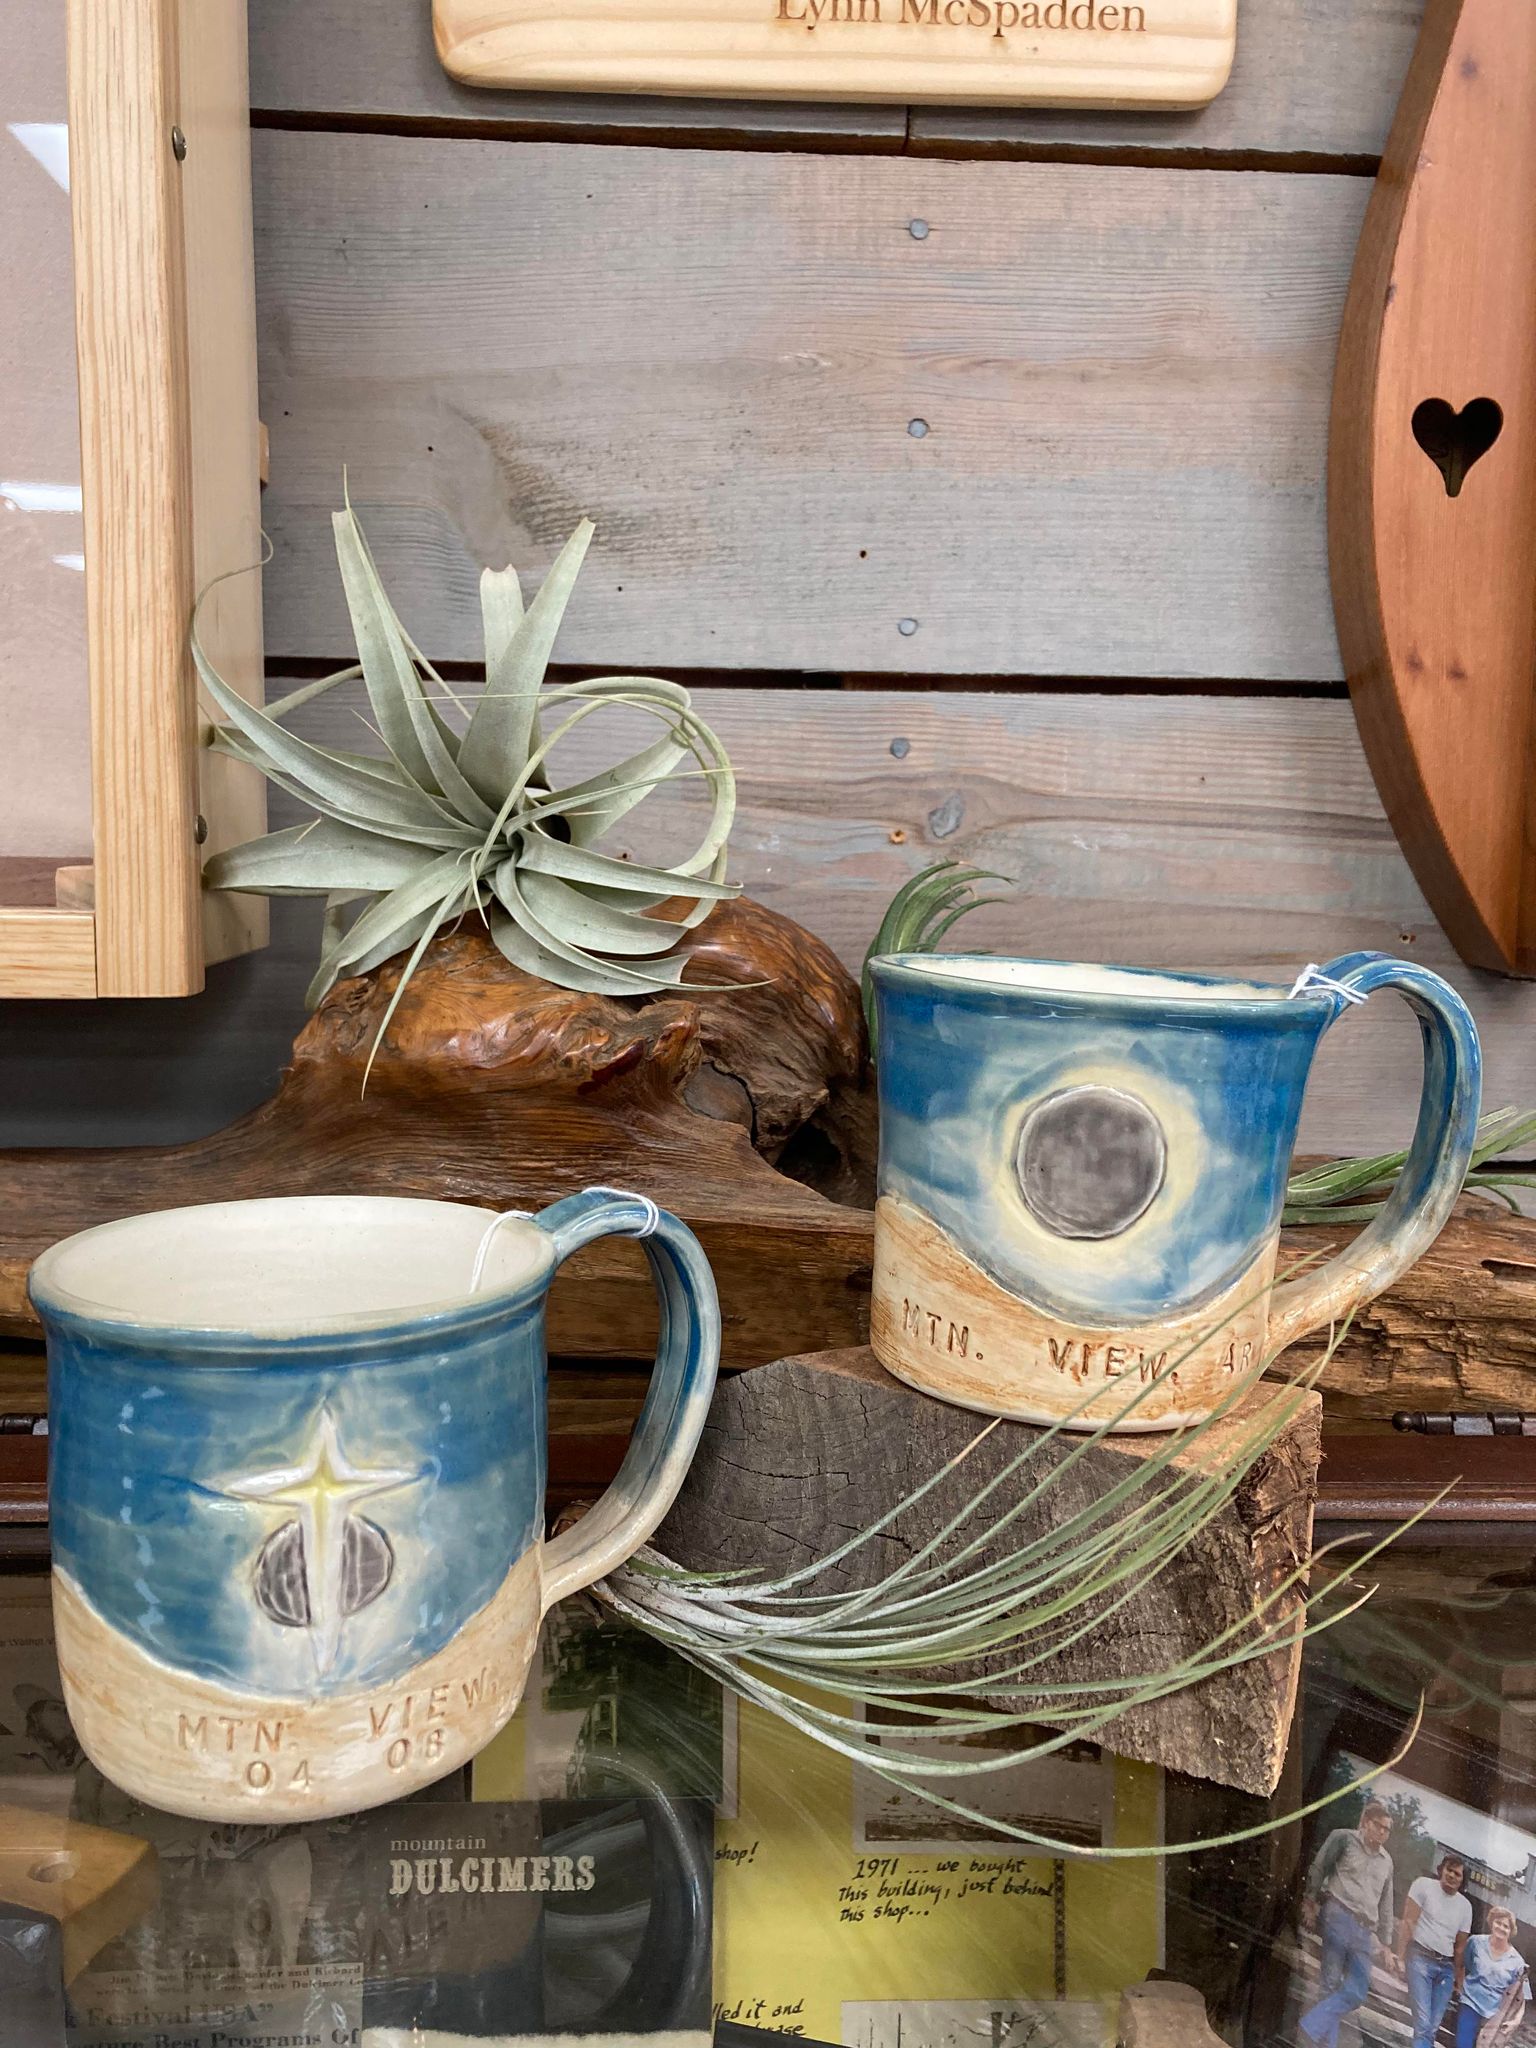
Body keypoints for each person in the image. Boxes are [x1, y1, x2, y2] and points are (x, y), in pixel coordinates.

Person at [1297, 1800, 1397, 2048]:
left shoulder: (1387, 1861)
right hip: (1338, 1914)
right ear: (1366, 1822)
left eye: (1387, 1829)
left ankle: (1310, 2025)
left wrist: (1386, 1944)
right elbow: (1319, 1867)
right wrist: (1310, 1901)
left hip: (1364, 1930)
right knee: (1330, 1983)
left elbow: (1386, 1903)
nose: (1382, 1832)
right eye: (1379, 1826)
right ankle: (1325, 2045)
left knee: (1358, 1991)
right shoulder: (1343, 1838)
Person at [1397, 1854, 1473, 2048]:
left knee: (1431, 2028)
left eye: (1457, 1874)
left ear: (1462, 1880)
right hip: (1420, 1957)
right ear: (1441, 1869)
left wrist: (1458, 1981)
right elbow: (1408, 1921)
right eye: (1449, 1870)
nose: (1452, 1876)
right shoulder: (1423, 1885)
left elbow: (1460, 1947)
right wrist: (1400, 1957)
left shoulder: (1465, 1907)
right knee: (1423, 2024)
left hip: (1446, 1968)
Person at [1453, 1907, 1530, 2048]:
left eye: (1506, 1926)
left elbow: (1521, 1997)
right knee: (1463, 2044)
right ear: (1491, 1922)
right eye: (1498, 1923)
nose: (1501, 1928)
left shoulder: (1518, 1962)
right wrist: (1460, 1986)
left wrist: (1515, 2021)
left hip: (1494, 2014)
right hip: (1470, 2003)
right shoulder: (1476, 1942)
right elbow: (1463, 1964)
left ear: (1511, 1931)